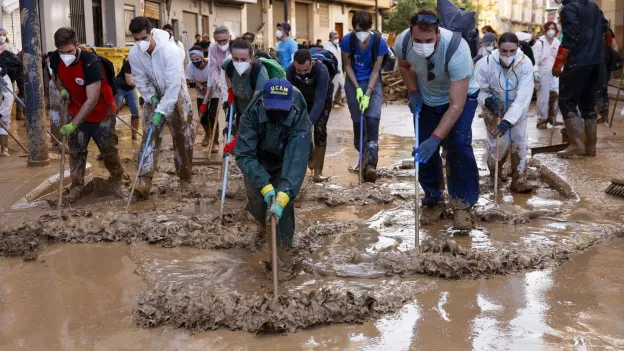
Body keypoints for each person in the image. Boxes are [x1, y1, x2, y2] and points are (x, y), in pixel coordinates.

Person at [395, 10, 481, 230]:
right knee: (424, 151)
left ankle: (462, 205)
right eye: (418, 41)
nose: (422, 45)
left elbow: (456, 105)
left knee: (459, 146)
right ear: (411, 33)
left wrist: (436, 138)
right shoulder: (403, 42)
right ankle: (433, 198)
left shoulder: (457, 50)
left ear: (438, 34)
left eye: (429, 40)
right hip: (427, 96)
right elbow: (404, 66)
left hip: (461, 97)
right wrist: (413, 91)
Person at [234, 78, 311, 277]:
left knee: (282, 208)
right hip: (257, 160)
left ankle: (283, 261)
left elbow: (297, 157)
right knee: (259, 205)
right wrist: (264, 185)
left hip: (285, 157)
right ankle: (265, 225)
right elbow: (244, 154)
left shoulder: (297, 107)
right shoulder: (251, 112)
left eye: (282, 109)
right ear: (263, 102)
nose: (277, 113)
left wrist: (284, 194)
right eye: (273, 108)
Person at [50, 27, 128, 201]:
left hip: (101, 112)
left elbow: (92, 100)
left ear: (77, 45)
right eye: (61, 52)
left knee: (107, 150)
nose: (65, 56)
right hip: (76, 109)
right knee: (76, 150)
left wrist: (73, 124)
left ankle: (118, 178)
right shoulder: (55, 58)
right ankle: (77, 186)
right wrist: (62, 90)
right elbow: (55, 77)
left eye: (69, 51)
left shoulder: (91, 63)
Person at [128, 16, 194, 198]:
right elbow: (140, 78)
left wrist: (163, 109)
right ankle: (144, 180)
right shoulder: (134, 54)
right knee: (150, 135)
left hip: (176, 94)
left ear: (151, 33)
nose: (140, 43)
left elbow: (173, 85)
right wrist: (152, 98)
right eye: (136, 39)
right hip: (154, 95)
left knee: (182, 136)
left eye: (143, 38)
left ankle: (185, 178)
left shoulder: (170, 51)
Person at [477, 32, 535, 193]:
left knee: (520, 140)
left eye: (512, 51)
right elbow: (478, 89)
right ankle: (495, 174)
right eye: (504, 51)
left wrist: (509, 120)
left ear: (517, 48)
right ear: (497, 46)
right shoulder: (486, 63)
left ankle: (519, 179)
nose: (508, 55)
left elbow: (524, 94)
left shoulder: (525, 63)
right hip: (494, 108)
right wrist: (487, 100)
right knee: (497, 143)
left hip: (518, 108)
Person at [552, 0, 608, 157]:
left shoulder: (568, 9)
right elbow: (605, 27)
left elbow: (570, 36)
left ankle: (576, 143)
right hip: (597, 62)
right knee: (588, 105)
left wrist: (558, 63)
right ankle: (590, 147)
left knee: (567, 101)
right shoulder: (594, 7)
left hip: (578, 62)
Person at [340, 10, 388, 182]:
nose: (360, 34)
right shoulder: (348, 40)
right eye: (357, 29)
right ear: (353, 28)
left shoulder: (379, 42)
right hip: (353, 83)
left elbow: (376, 70)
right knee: (358, 123)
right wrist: (357, 89)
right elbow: (347, 65)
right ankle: (362, 159)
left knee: (372, 120)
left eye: (363, 30)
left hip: (373, 84)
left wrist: (367, 91)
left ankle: (371, 166)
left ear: (370, 28)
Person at [286, 49, 333, 182]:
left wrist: (309, 122)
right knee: (298, 128)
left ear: (311, 63)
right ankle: (310, 154)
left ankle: (318, 171)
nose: (302, 74)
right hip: (301, 98)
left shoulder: (322, 70)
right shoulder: (289, 71)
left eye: (305, 71)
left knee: (319, 128)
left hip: (321, 99)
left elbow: (319, 101)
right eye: (299, 71)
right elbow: (290, 97)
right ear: (294, 64)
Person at [222, 38, 269, 133]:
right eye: (235, 59)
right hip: (240, 107)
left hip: (256, 114)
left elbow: (255, 105)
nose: (239, 63)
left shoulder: (260, 74)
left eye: (243, 59)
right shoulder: (229, 64)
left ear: (251, 58)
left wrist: (238, 122)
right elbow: (227, 74)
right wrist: (230, 91)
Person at [186, 46, 219, 151]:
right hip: (201, 89)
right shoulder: (190, 66)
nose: (195, 62)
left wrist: (205, 102)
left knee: (212, 115)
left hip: (213, 88)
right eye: (192, 60)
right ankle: (207, 134)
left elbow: (210, 84)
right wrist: (200, 87)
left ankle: (215, 141)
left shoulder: (211, 65)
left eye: (197, 59)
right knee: (202, 115)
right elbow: (192, 79)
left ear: (202, 57)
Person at [532, 21, 561, 129]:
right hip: (542, 72)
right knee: (543, 97)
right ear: (545, 30)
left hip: (554, 72)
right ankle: (541, 120)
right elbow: (534, 59)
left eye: (553, 28)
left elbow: (559, 58)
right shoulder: (540, 43)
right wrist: (535, 71)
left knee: (555, 94)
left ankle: (551, 117)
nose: (551, 30)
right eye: (549, 28)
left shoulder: (557, 42)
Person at [114, 58, 141, 140]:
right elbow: (129, 81)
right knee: (114, 111)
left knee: (136, 113)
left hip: (131, 89)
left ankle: (134, 136)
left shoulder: (144, 64)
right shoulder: (129, 63)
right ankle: (111, 132)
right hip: (120, 87)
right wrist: (143, 83)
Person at [598, 27, 618, 123]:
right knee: (603, 90)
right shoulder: (609, 31)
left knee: (595, 89)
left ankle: (597, 114)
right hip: (606, 65)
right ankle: (604, 115)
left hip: (596, 63)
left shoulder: (593, 28)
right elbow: (615, 48)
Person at [209, 25, 232, 107]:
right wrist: (219, 83)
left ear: (229, 37)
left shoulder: (235, 46)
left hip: (236, 84)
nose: (222, 44)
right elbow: (214, 69)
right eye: (219, 41)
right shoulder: (213, 49)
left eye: (224, 40)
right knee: (227, 110)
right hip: (222, 84)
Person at [324, 31, 345, 107]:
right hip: (333, 69)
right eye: (335, 37)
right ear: (330, 38)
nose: (337, 39)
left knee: (341, 85)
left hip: (339, 68)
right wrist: (334, 68)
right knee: (333, 85)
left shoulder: (338, 46)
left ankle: (337, 99)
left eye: (337, 37)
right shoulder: (327, 47)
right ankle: (331, 101)